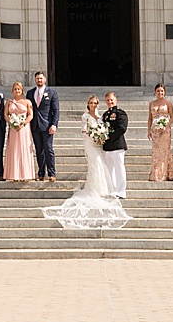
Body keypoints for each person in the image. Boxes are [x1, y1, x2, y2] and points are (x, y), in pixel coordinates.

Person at [41, 95, 131, 230]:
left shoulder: (108, 115)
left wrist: (103, 137)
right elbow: (84, 131)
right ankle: (100, 189)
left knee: (112, 167)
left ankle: (118, 190)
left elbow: (119, 128)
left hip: (108, 145)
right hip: (93, 144)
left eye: (96, 103)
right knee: (98, 166)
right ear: (88, 104)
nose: (93, 105)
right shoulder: (89, 116)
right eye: (91, 103)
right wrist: (96, 137)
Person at [29, 70, 60, 181]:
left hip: (47, 126)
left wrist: (54, 124)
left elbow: (55, 111)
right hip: (35, 126)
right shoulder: (30, 93)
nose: (39, 80)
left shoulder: (52, 93)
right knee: (39, 150)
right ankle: (41, 173)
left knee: (48, 149)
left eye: (41, 78)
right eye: (37, 78)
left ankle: (52, 173)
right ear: (35, 80)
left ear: (45, 79)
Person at [3, 81, 37, 182]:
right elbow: (5, 114)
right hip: (13, 128)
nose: (17, 91)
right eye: (15, 89)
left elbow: (31, 115)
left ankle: (25, 174)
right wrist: (12, 123)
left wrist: (23, 123)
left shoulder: (27, 102)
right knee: (14, 149)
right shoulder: (9, 102)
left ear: (22, 90)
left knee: (23, 149)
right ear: (12, 91)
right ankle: (14, 174)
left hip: (24, 128)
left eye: (19, 89)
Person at [100, 91, 129, 199]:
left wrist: (110, 137)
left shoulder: (120, 113)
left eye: (111, 100)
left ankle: (121, 191)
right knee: (109, 169)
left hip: (117, 145)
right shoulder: (105, 115)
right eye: (108, 100)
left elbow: (122, 128)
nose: (110, 102)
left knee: (119, 169)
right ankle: (111, 190)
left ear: (116, 100)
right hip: (108, 147)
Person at [146, 83, 173, 182]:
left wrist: (166, 126)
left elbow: (172, 117)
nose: (160, 93)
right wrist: (149, 130)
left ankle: (167, 174)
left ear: (165, 92)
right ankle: (156, 174)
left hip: (165, 130)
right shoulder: (152, 103)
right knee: (156, 152)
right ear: (155, 92)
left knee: (165, 151)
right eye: (158, 91)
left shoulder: (168, 103)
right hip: (155, 130)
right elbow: (150, 118)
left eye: (162, 91)